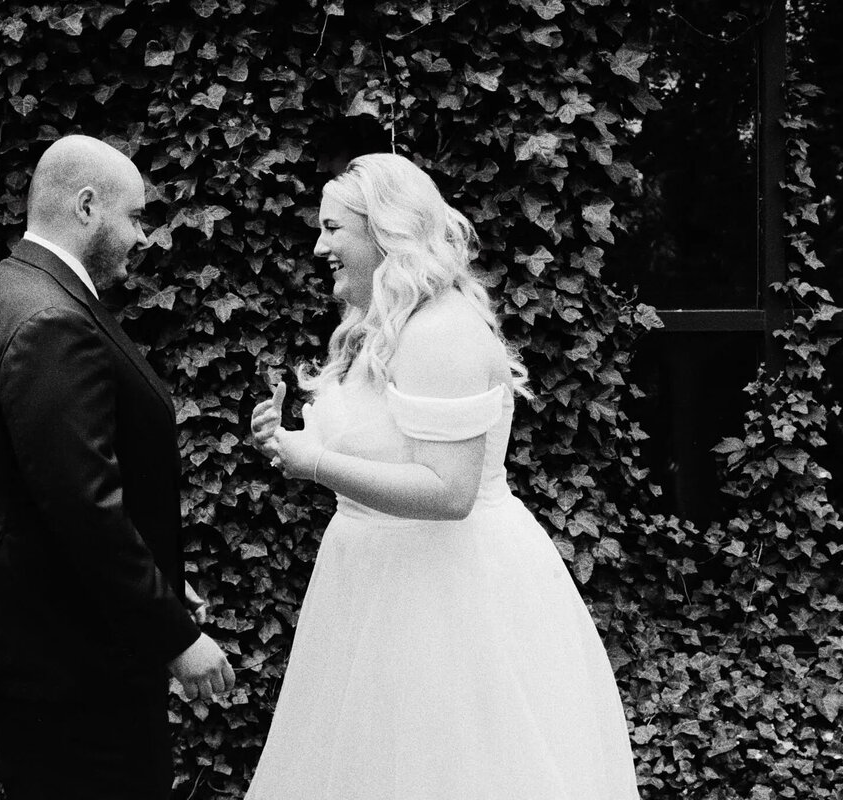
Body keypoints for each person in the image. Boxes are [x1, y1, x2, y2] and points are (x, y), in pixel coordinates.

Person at [247, 153, 640, 799]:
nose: (319, 246)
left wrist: (315, 464)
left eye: (332, 228)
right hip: (372, 591)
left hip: (446, 598)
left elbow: (449, 490)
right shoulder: (380, 329)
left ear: (386, 230)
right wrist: (298, 439)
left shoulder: (443, 331)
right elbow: (384, 446)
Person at [0, 134, 235, 800]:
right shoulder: (51, 319)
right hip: (65, 654)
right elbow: (82, 506)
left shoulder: (17, 286)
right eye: (134, 218)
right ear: (87, 205)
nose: (141, 237)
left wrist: (156, 582)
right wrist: (174, 634)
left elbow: (50, 483)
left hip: (51, 631)